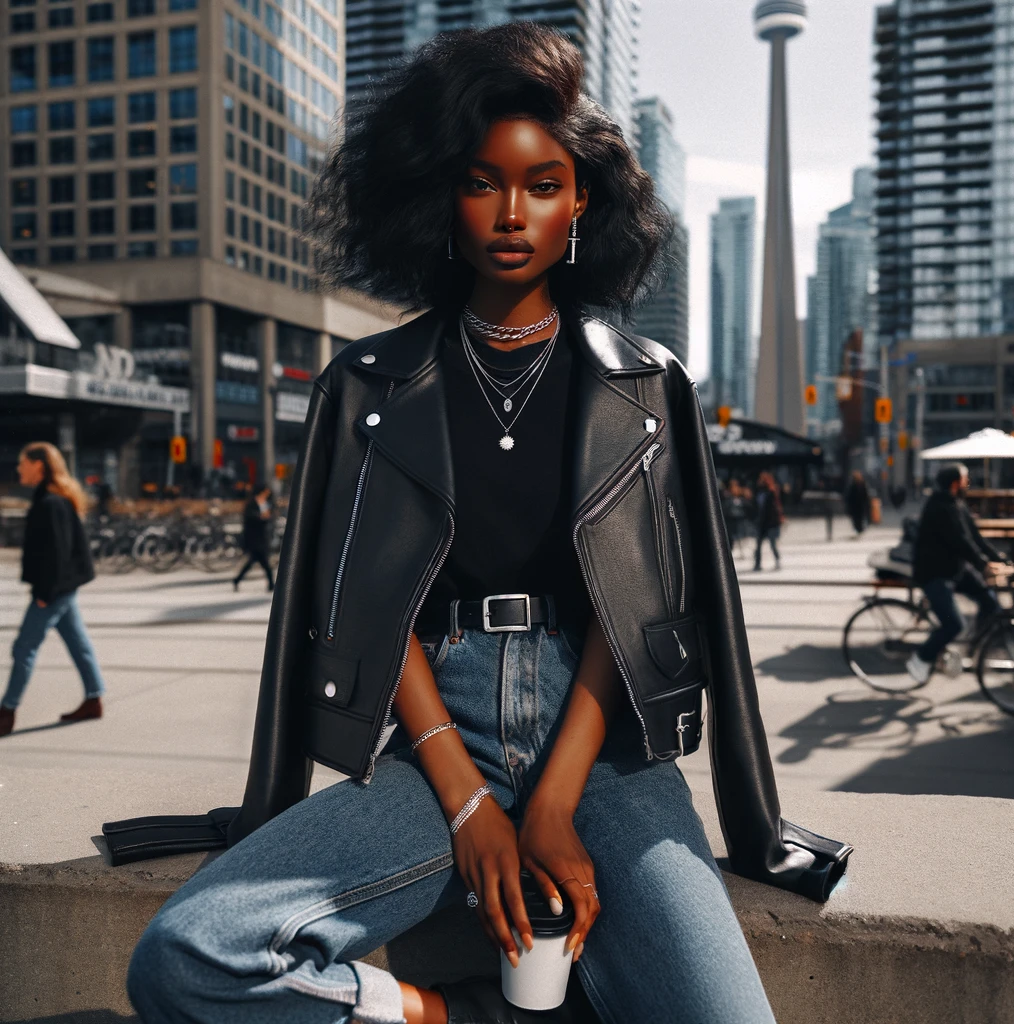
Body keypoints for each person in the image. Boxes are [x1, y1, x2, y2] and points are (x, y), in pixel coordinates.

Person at [125, 24, 849, 1024]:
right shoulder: (367, 383)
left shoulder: (648, 383)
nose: (513, 213)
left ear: (581, 199)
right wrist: (467, 797)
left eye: (542, 183)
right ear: (444, 200)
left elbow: (646, 603)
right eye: (483, 182)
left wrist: (551, 796)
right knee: (185, 957)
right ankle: (442, 1013)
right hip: (434, 727)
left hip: (607, 741)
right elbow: (369, 604)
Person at [0, 443, 105, 738]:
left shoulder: (51, 503)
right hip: (62, 587)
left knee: (24, 647)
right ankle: (93, 699)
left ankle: (6, 712)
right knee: (77, 642)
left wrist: (44, 593)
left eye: (23, 463)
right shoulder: (52, 499)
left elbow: (57, 553)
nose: (19, 468)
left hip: (55, 588)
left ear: (39, 466)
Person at [906, 463, 1014, 683]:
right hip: (934, 573)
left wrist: (996, 557)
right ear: (955, 483)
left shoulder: (957, 503)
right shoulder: (939, 506)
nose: (968, 483)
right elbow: (960, 541)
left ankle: (974, 648)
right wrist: (983, 563)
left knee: (989, 601)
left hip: (955, 569)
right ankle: (920, 659)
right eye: (965, 479)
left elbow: (975, 537)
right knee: (954, 624)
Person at [233, 482, 275, 591]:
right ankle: (271, 584)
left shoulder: (266, 503)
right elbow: (249, 518)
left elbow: (270, 516)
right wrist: (261, 518)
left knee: (254, 561)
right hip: (254, 537)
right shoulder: (252, 503)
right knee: (264, 562)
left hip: (262, 536)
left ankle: (237, 579)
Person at [753, 470, 784, 571]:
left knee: (772, 543)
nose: (760, 482)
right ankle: (757, 564)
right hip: (762, 523)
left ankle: (777, 560)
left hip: (770, 523)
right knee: (758, 545)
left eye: (762, 480)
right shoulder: (758, 493)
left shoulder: (771, 493)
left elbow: (774, 508)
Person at [845, 470, 870, 535]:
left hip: (859, 505)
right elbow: (849, 496)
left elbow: (865, 495)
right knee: (856, 519)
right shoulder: (853, 485)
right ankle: (858, 529)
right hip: (855, 506)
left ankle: (859, 529)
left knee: (859, 518)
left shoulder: (862, 484)